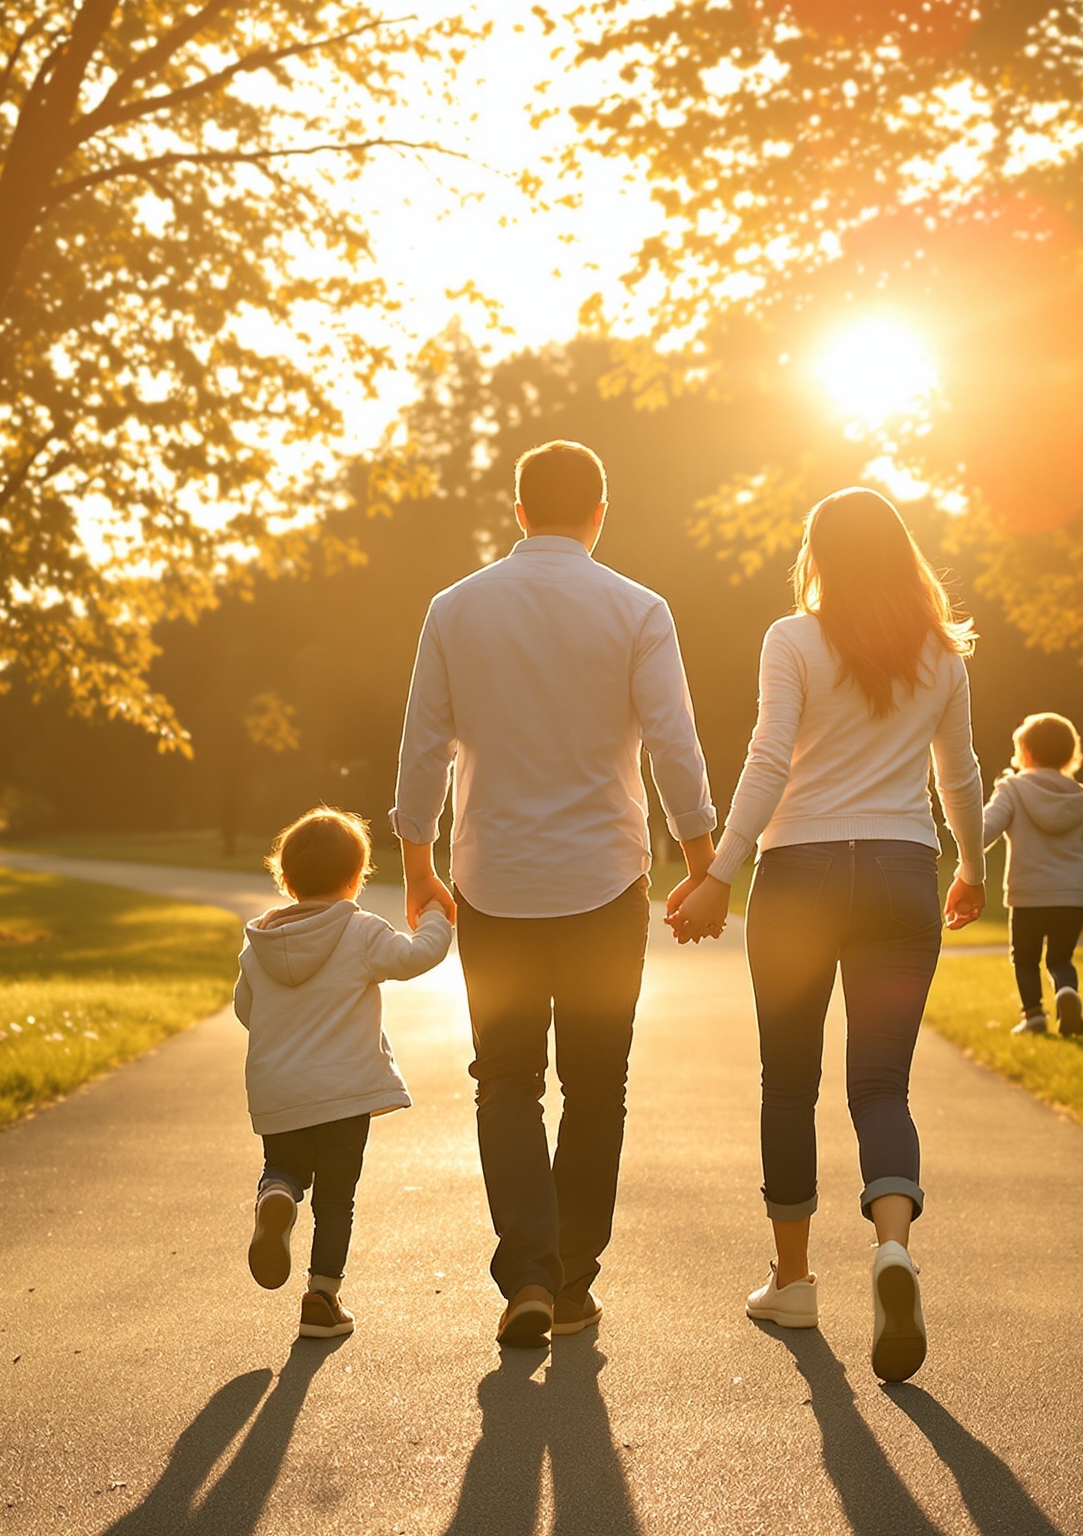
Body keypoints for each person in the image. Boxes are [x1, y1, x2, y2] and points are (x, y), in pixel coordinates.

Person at [392, 439, 718, 1349]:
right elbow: (673, 743)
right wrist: (701, 859)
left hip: (491, 882)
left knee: (503, 1081)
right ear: (600, 514)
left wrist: (417, 862)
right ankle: (571, 1282)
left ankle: (526, 1273)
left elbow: (423, 744)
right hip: (604, 885)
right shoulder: (638, 609)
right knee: (596, 1084)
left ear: (521, 511)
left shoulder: (455, 609)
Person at [668, 486, 986, 1385]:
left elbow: (770, 756)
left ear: (820, 554)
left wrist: (717, 874)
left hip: (800, 879)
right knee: (882, 1084)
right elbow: (956, 772)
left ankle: (796, 1280)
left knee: (790, 1082)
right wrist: (972, 865)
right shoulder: (942, 655)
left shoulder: (792, 639)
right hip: (900, 875)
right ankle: (892, 1251)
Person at [235, 807, 454, 1340]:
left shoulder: (258, 943)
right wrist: (438, 917)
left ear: (284, 879)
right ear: (356, 878)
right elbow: (416, 956)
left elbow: (246, 1010)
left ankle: (277, 1196)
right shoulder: (358, 930)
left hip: (279, 1091)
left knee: (284, 1166)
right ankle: (321, 1298)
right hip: (343, 1093)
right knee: (336, 1198)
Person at [985, 712, 1083, 1036]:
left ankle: (1033, 1016)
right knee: (1060, 958)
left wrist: (966, 853)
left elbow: (985, 829)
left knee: (1025, 958)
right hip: (1072, 895)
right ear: (1071, 755)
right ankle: (1066, 992)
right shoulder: (1079, 799)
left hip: (1028, 893)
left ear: (1024, 752)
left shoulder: (1012, 790)